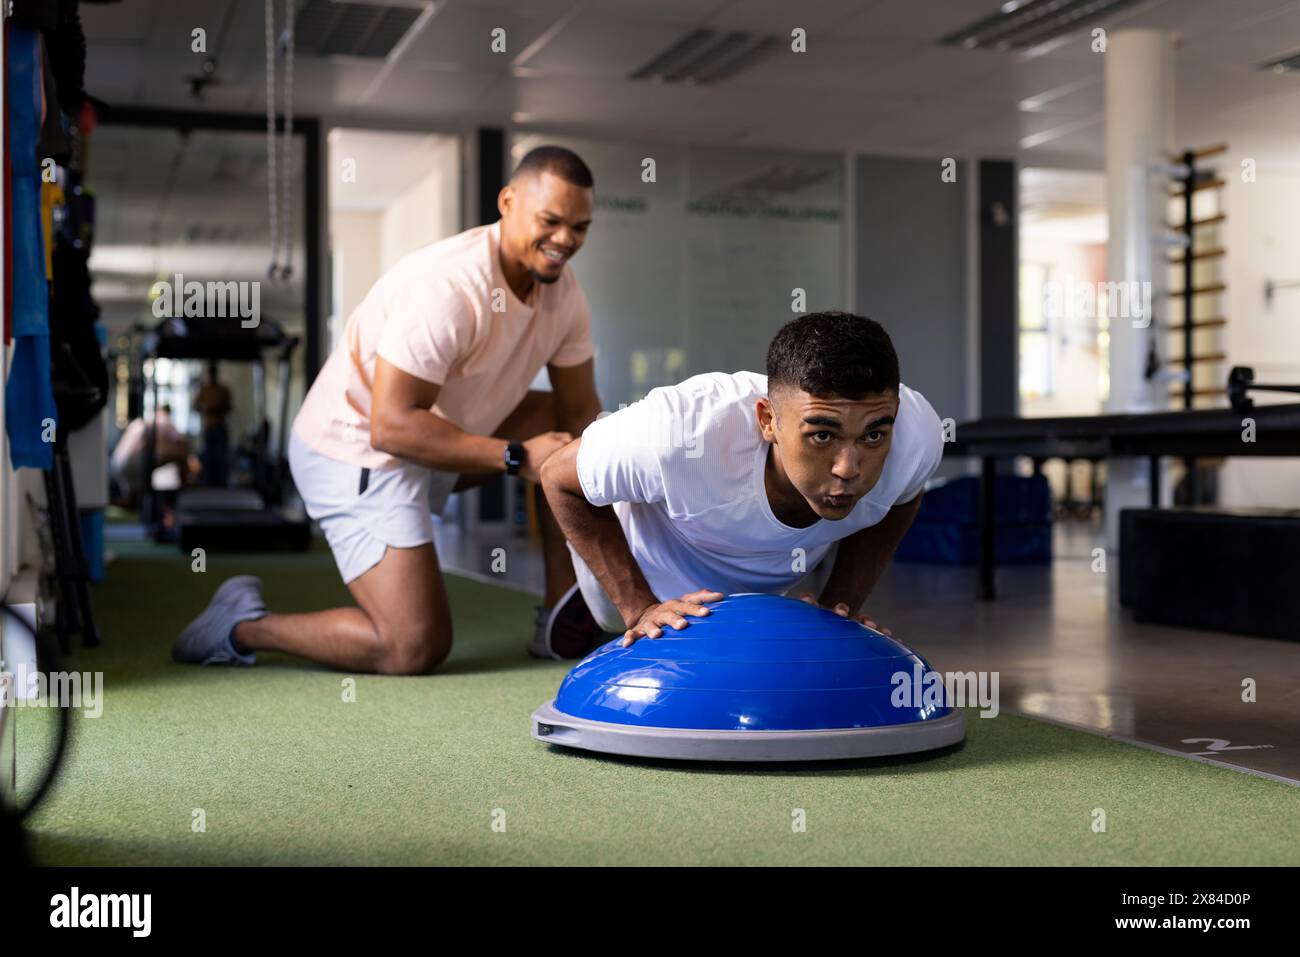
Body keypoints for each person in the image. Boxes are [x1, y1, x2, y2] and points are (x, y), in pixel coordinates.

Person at [173, 146, 605, 672]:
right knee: (412, 645)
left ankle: (565, 616)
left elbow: (580, 411)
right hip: (352, 450)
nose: (565, 240)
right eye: (551, 221)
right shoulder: (449, 286)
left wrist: (620, 504)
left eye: (579, 227)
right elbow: (391, 426)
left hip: (430, 440)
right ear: (508, 201)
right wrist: (517, 457)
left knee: (563, 429)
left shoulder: (564, 296)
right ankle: (242, 625)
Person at [539, 311, 944, 645]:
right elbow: (558, 476)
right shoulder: (680, 432)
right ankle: (589, 601)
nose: (847, 468)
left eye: (873, 435)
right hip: (644, 574)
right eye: (823, 435)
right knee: (616, 624)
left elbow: (904, 495)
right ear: (767, 420)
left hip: (763, 597)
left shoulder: (915, 437)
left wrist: (841, 605)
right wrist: (638, 606)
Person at [109, 404, 191, 507]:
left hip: (117, 463)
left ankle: (133, 500)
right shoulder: (163, 422)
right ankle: (186, 490)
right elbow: (181, 442)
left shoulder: (139, 422)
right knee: (180, 454)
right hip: (132, 462)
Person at [193, 361, 232, 487]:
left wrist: (218, 408)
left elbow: (229, 407)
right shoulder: (204, 390)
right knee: (208, 455)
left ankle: (221, 481)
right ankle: (209, 482)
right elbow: (195, 406)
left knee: (221, 455)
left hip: (220, 426)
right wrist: (206, 409)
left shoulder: (223, 390)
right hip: (209, 426)